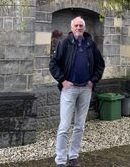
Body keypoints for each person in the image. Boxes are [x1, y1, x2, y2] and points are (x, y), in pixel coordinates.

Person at [49, 16, 105, 167]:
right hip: (70, 89)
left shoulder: (90, 44)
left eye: (81, 26)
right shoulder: (64, 43)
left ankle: (73, 157)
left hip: (85, 89)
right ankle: (60, 160)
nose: (79, 28)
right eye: (76, 26)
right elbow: (53, 64)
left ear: (84, 28)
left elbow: (100, 64)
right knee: (64, 126)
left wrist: (93, 80)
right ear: (71, 27)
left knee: (80, 125)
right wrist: (62, 80)